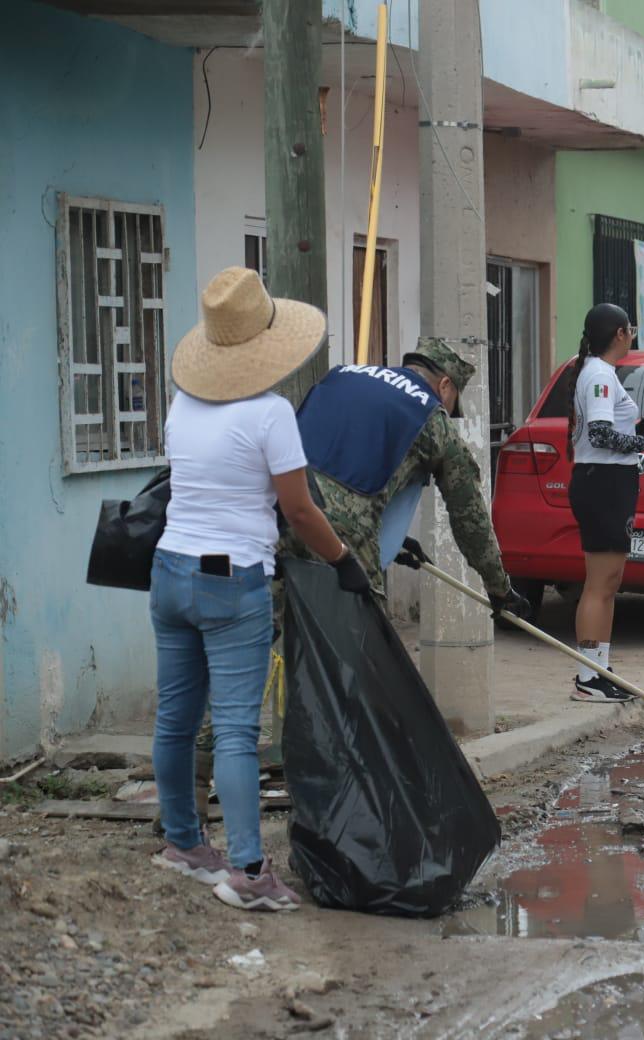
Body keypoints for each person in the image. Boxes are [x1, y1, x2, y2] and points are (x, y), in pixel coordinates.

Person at [152, 267, 366, 911]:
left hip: (169, 570)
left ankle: (185, 844)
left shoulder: (183, 404)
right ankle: (247, 871)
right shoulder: (271, 414)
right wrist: (344, 559)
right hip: (230, 581)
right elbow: (298, 510)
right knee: (239, 730)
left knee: (176, 719)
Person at [280, 336, 530, 621]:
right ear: (445, 386)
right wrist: (500, 589)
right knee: (362, 640)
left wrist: (392, 539)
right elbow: (470, 518)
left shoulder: (345, 374)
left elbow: (344, 456)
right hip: (343, 530)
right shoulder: (430, 416)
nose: (448, 414)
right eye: (452, 406)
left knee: (281, 632)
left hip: (279, 506)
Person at [557, 303, 644, 701]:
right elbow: (602, 435)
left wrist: (634, 454)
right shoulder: (600, 376)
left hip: (607, 479)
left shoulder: (597, 372)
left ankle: (600, 669)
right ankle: (588, 678)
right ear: (620, 334)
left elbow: (600, 438)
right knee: (600, 584)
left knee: (608, 582)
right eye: (631, 330)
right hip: (602, 485)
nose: (632, 336)